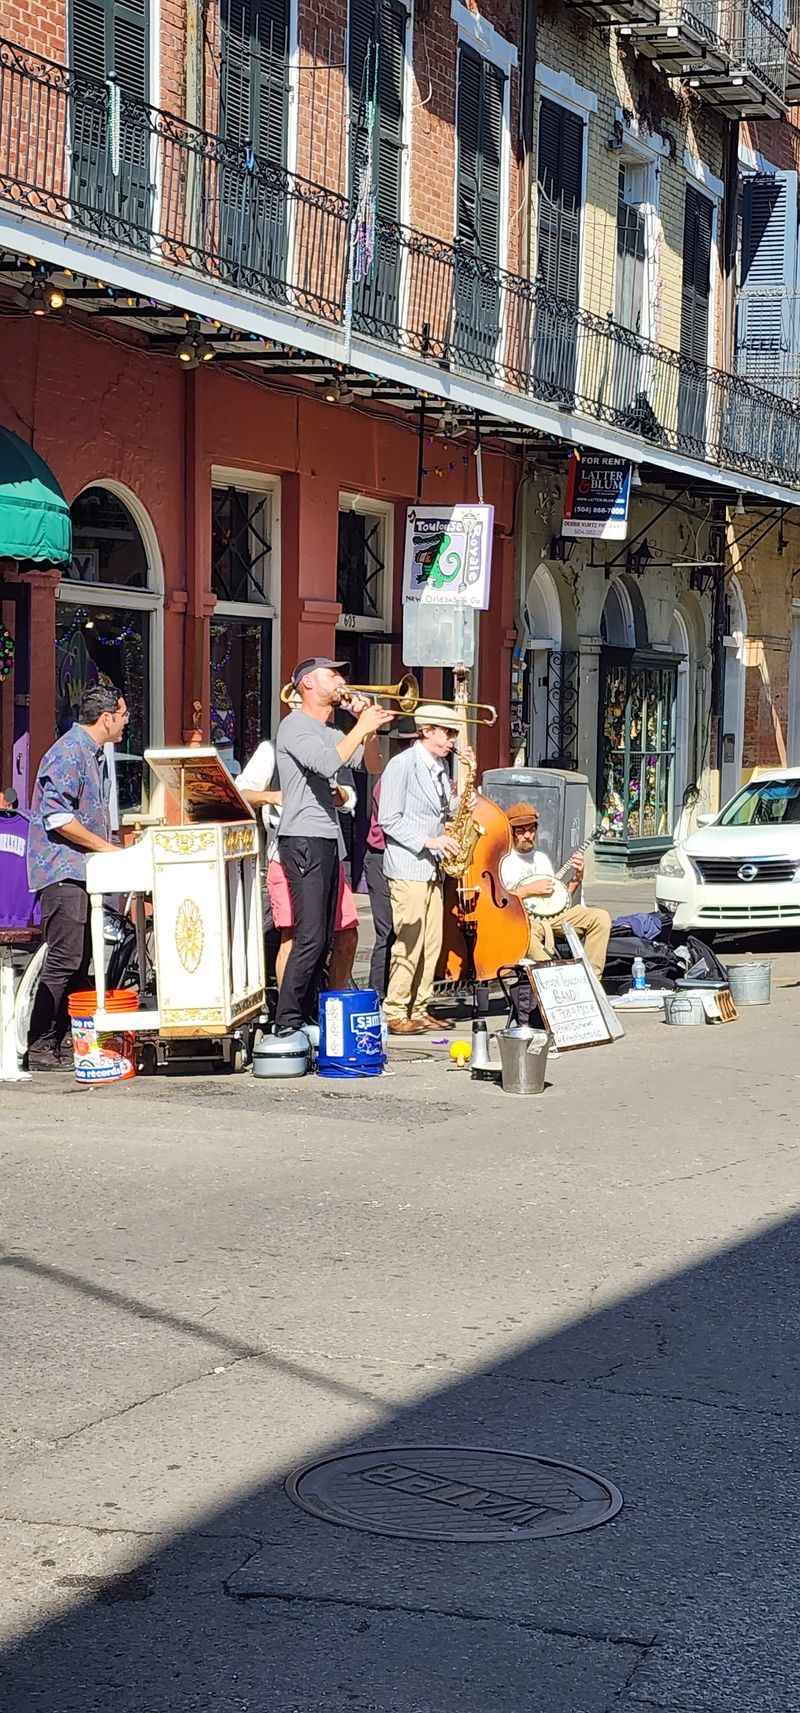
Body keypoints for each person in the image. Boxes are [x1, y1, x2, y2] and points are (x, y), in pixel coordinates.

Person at [273, 657, 393, 1035]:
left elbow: (371, 765)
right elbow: (326, 764)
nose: (341, 679)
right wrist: (360, 726)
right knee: (308, 935)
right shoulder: (294, 726)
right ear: (307, 683)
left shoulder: (330, 730)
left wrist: (369, 730)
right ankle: (287, 1022)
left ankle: (307, 1015)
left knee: (325, 935)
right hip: (302, 837)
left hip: (327, 836)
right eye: (333, 674)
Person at [26, 683, 127, 1070]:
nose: (126, 721)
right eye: (122, 715)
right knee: (65, 957)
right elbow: (57, 817)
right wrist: (106, 847)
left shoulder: (95, 754)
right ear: (106, 718)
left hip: (84, 871)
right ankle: (39, 1043)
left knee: (81, 957)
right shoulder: (69, 753)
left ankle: (70, 1040)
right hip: (63, 869)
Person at [237, 734, 363, 992]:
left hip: (328, 852)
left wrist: (336, 794)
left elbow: (350, 798)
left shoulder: (333, 743)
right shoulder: (271, 749)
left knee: (347, 934)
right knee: (292, 936)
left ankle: (333, 1006)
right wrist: (274, 797)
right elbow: (240, 792)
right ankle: (290, 1012)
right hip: (285, 856)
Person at [378, 703, 471, 1036]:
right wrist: (430, 841)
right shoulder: (401, 765)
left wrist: (464, 798)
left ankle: (420, 1006)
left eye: (454, 734)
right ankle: (395, 1009)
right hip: (408, 865)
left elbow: (444, 812)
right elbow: (389, 819)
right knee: (410, 940)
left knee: (433, 942)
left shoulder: (440, 768)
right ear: (427, 730)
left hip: (432, 869)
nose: (451, 741)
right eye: (447, 733)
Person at [499, 801, 611, 978]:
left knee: (600, 917)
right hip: (525, 921)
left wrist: (576, 879)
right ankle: (557, 979)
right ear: (510, 832)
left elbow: (555, 901)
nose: (528, 835)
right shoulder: (504, 862)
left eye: (531, 829)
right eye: (521, 831)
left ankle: (592, 978)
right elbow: (500, 902)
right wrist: (528, 890)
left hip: (553, 919)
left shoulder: (541, 858)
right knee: (527, 938)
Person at [363, 776, 394, 999]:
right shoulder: (390, 780)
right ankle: (378, 994)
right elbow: (389, 821)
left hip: (402, 859)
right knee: (388, 930)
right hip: (381, 856)